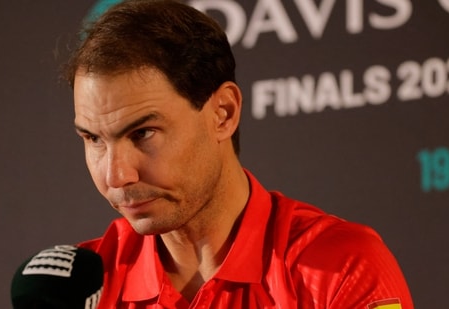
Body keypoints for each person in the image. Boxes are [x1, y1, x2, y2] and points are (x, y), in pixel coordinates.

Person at [64, 0, 414, 308]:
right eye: (94, 139)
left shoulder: (341, 268)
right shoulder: (78, 289)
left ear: (224, 113)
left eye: (143, 133)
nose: (116, 176)